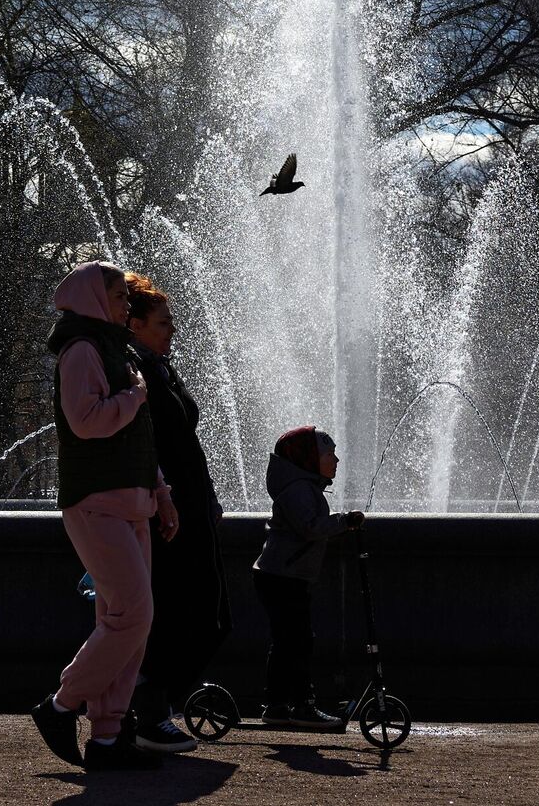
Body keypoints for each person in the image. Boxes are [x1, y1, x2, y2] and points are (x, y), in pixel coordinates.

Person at [30, 261, 178, 772]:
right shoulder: (82, 351)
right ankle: (60, 705)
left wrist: (160, 493)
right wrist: (134, 396)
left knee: (125, 620)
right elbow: (86, 421)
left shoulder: (111, 348)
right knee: (133, 616)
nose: (125, 304)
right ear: (93, 297)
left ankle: (108, 737)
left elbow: (138, 437)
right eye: (117, 296)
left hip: (129, 502)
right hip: (96, 500)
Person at [123, 273, 229, 754]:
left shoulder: (163, 369)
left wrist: (205, 498)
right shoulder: (132, 371)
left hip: (191, 510)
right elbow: (141, 445)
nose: (172, 330)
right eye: (163, 323)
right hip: (164, 516)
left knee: (211, 617)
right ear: (135, 324)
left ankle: (148, 700)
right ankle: (148, 709)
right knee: (179, 613)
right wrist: (164, 497)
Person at [253, 425, 363, 729]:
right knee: (298, 641)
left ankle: (277, 705)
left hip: (283, 575)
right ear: (310, 458)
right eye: (330, 454)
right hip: (282, 576)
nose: (336, 460)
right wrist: (344, 521)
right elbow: (310, 527)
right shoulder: (298, 489)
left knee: (289, 641)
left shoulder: (303, 485)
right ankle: (301, 705)